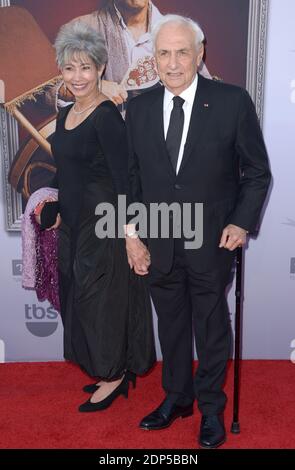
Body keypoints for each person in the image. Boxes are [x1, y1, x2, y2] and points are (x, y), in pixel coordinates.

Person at [125, 14, 271, 448]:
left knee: (210, 328)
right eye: (164, 53)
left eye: (182, 52)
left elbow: (257, 172)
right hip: (158, 241)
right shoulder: (140, 105)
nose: (172, 64)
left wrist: (241, 221)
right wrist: (131, 234)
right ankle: (178, 398)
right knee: (169, 326)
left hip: (211, 241)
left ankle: (210, 408)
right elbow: (130, 176)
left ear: (199, 53)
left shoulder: (231, 101)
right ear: (154, 57)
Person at [38, 19, 155, 412]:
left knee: (100, 303)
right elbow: (67, 170)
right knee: (81, 300)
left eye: (86, 67)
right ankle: (109, 371)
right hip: (74, 224)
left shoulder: (106, 116)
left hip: (105, 224)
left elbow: (126, 179)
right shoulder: (66, 114)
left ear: (101, 68)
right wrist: (55, 209)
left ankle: (116, 375)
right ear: (61, 70)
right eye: (69, 68)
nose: (78, 76)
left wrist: (131, 236)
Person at [70, 0, 211, 108]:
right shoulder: (82, 29)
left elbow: (207, 93)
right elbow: (53, 90)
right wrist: (95, 88)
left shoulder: (179, 32)